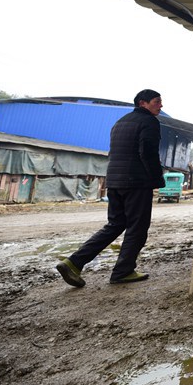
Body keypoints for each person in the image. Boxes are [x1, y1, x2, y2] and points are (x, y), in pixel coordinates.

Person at [56, 89, 166, 286]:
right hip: (136, 182)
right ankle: (123, 271)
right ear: (143, 103)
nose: (161, 105)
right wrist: (157, 179)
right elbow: (148, 152)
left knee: (115, 224)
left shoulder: (120, 122)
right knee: (137, 228)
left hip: (114, 181)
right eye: (157, 102)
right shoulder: (149, 121)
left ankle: (74, 262)